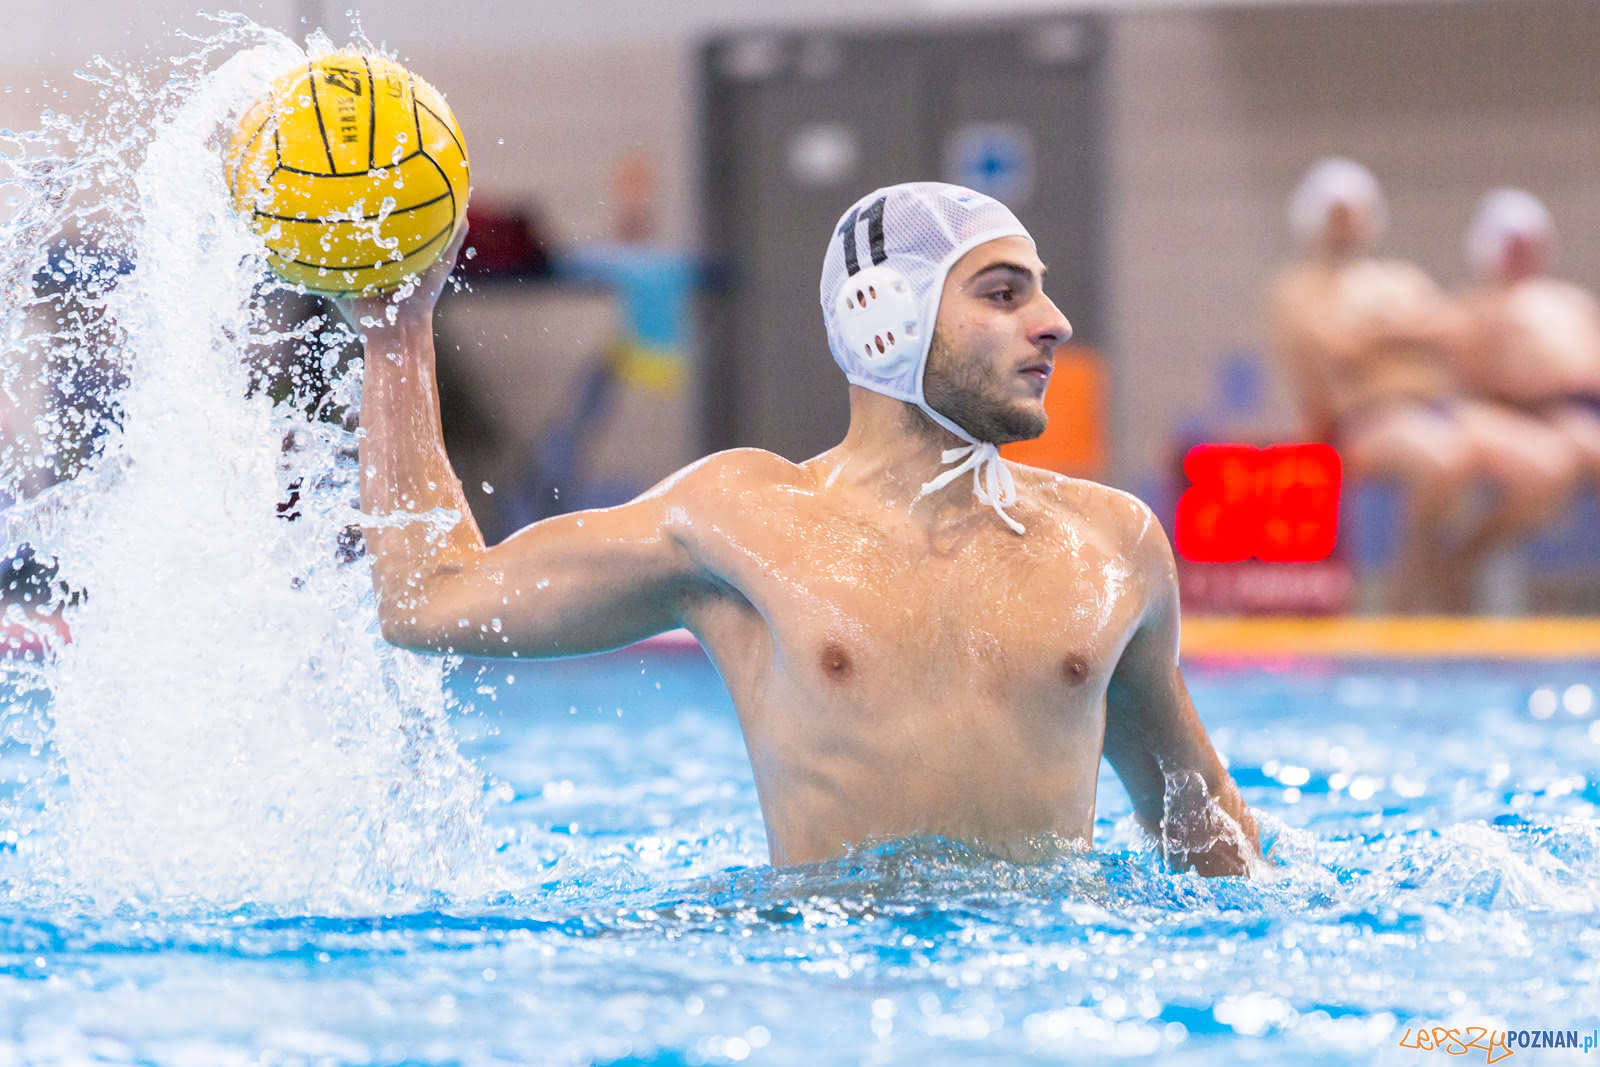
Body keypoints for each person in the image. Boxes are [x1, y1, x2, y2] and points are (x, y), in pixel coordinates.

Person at [340, 182, 1263, 877]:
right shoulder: (742, 519)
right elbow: (430, 598)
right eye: (1003, 293)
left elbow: (1197, 822)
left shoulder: (1112, 545)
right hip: (828, 992)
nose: (1053, 323)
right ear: (884, 316)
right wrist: (396, 332)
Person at [1268, 159, 1574, 611]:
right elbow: (1336, 349)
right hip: (1366, 418)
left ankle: (1459, 563)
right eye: (1336, 215)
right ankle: (1406, 595)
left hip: (1439, 409)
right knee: (1442, 462)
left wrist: (1379, 332)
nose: (1345, 226)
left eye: (1352, 213)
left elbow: (1455, 329)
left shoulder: (1398, 276)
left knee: (1547, 466)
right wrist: (1410, 329)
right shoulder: (1298, 287)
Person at [1456, 188, 1600, 488]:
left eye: (1528, 247)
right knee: (1555, 458)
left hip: (1578, 408)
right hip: (1518, 412)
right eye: (1514, 247)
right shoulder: (1473, 306)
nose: (1521, 256)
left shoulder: (1570, 301)